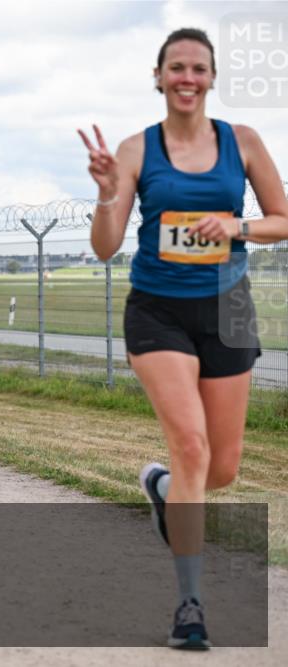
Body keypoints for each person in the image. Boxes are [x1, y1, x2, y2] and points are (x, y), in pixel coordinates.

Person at [79, 28, 288, 650]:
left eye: (198, 68)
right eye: (177, 68)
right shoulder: (136, 148)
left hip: (228, 310)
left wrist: (236, 224)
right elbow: (106, 246)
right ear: (159, 75)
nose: (187, 78)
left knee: (220, 469)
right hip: (158, 312)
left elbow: (283, 219)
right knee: (192, 446)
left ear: (212, 77)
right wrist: (108, 192)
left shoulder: (242, 142)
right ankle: (190, 607)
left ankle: (163, 490)